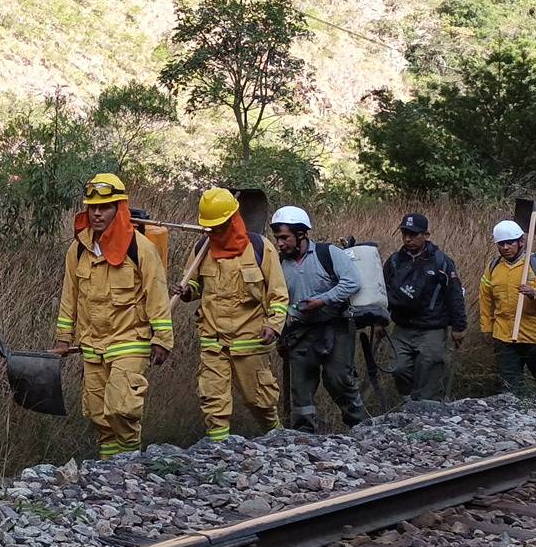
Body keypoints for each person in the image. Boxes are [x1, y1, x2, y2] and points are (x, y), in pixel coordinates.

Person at [52, 173, 173, 458]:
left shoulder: (140, 248)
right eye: (92, 207)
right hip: (93, 345)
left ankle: (130, 465)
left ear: (120, 208)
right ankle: (110, 472)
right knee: (99, 415)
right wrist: (62, 338)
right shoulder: (78, 250)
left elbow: (156, 294)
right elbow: (70, 295)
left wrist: (163, 339)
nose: (96, 213)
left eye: (104, 207)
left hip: (130, 339)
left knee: (121, 408)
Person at [174, 188, 286, 441]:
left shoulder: (260, 248)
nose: (214, 232)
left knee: (260, 400)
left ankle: (278, 440)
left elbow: (278, 294)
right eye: (210, 228)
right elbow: (195, 286)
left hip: (250, 341)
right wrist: (185, 291)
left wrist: (274, 324)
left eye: (219, 226)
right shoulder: (202, 249)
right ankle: (218, 448)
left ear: (233, 219)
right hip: (213, 342)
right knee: (214, 400)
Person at [270, 206, 367, 431]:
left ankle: (360, 426)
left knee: (338, 379)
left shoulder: (328, 253)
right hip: (300, 332)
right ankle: (304, 434)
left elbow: (352, 282)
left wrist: (322, 300)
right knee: (301, 385)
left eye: (284, 237)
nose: (280, 243)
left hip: (336, 327)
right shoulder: (278, 264)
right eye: (277, 239)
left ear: (301, 234)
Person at [381, 212, 468, 401]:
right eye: (404, 234)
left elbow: (454, 294)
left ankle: (427, 414)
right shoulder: (395, 261)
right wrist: (380, 319)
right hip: (402, 328)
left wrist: (459, 327)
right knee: (398, 368)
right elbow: (383, 291)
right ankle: (408, 403)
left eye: (413, 234)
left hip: (432, 328)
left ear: (426, 235)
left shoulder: (441, 262)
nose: (407, 238)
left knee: (428, 371)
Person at [481, 218, 536, 395]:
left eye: (509, 243)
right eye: (501, 244)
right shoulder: (493, 267)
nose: (505, 247)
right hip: (505, 336)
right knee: (509, 389)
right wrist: (487, 328)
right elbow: (486, 300)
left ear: (521, 241)